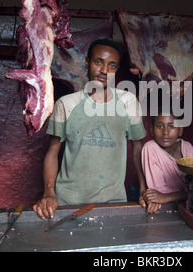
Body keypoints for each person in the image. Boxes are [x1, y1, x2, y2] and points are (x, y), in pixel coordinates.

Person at [33, 39, 147, 219]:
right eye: (98, 62)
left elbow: (137, 148)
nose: (104, 71)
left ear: (116, 70)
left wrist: (143, 187)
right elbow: (52, 152)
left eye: (111, 65)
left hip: (112, 202)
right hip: (67, 203)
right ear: (87, 63)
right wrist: (49, 193)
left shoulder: (128, 102)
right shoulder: (66, 104)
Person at [141, 108, 193, 213]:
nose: (165, 132)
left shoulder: (187, 149)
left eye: (171, 126)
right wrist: (158, 197)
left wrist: (165, 198)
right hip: (167, 207)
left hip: (188, 205)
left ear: (180, 130)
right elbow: (157, 192)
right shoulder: (150, 148)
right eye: (160, 126)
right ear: (151, 130)